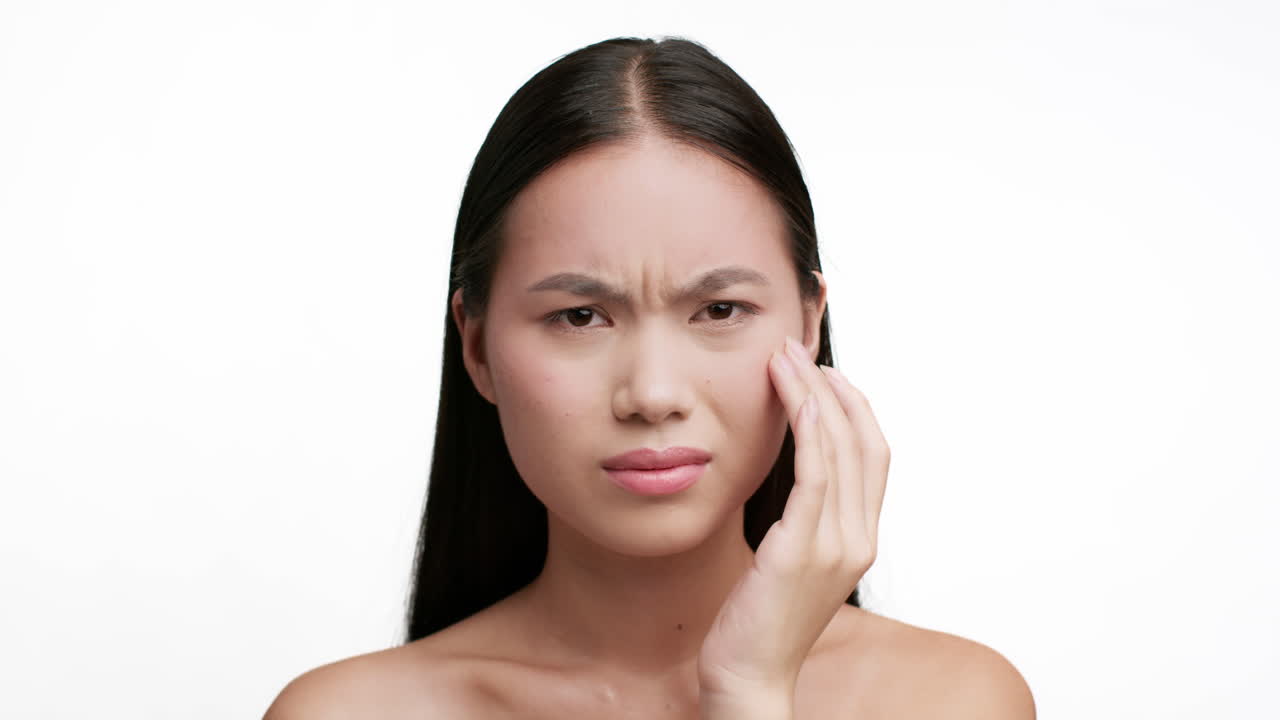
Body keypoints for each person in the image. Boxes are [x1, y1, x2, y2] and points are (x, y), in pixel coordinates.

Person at [264, 35, 1035, 719]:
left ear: (808, 326)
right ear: (475, 347)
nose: (654, 395)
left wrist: (751, 690)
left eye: (720, 309)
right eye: (579, 317)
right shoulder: (347, 711)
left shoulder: (954, 700)